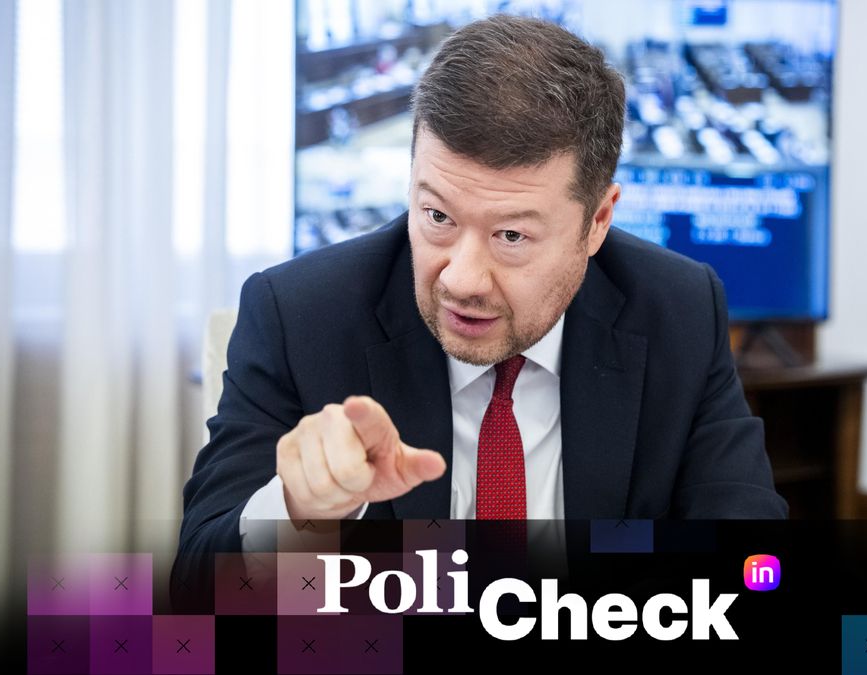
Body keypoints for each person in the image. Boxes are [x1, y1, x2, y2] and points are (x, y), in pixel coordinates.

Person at [175, 15, 786, 573]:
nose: (461, 280)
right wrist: (301, 512)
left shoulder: (678, 309)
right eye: (437, 216)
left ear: (598, 220)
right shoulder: (299, 316)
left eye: (511, 235)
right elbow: (198, 583)